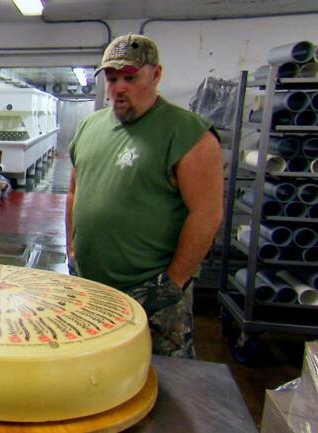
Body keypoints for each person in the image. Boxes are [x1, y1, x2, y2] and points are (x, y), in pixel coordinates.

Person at [65, 34, 223, 358]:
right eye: (112, 79)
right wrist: (71, 250)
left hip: (152, 290)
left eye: (130, 78)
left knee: (161, 376)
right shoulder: (89, 127)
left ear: (156, 75)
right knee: (96, 368)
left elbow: (207, 214)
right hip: (90, 286)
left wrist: (173, 283)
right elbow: (73, 193)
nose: (119, 88)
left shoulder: (187, 133)